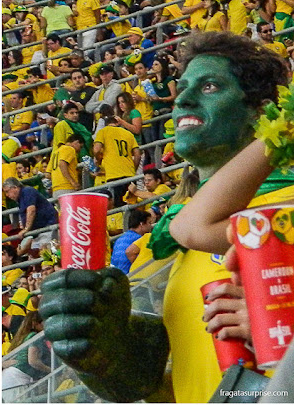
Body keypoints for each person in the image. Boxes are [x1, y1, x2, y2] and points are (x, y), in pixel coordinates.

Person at [39, 32, 289, 403]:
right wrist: (105, 354)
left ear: (262, 109)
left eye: (208, 86)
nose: (182, 98)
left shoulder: (284, 208)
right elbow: (165, 383)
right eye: (182, 86)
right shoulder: (170, 238)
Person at [93, 116, 142, 207]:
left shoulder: (103, 131)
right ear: (117, 123)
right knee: (132, 205)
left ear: (106, 125)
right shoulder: (128, 134)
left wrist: (99, 161)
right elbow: (138, 155)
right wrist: (133, 168)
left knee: (118, 207)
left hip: (114, 175)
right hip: (129, 175)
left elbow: (96, 150)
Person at [2, 177, 58, 243]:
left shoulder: (27, 191)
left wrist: (26, 229)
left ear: (15, 187)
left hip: (47, 228)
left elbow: (31, 210)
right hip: (38, 232)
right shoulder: (20, 198)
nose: (7, 195)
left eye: (7, 191)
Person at [49, 133, 84, 198]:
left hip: (56, 189)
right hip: (67, 187)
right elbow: (62, 164)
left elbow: (47, 174)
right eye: (80, 147)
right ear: (76, 142)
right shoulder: (70, 149)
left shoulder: (55, 153)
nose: (79, 150)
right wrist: (73, 182)